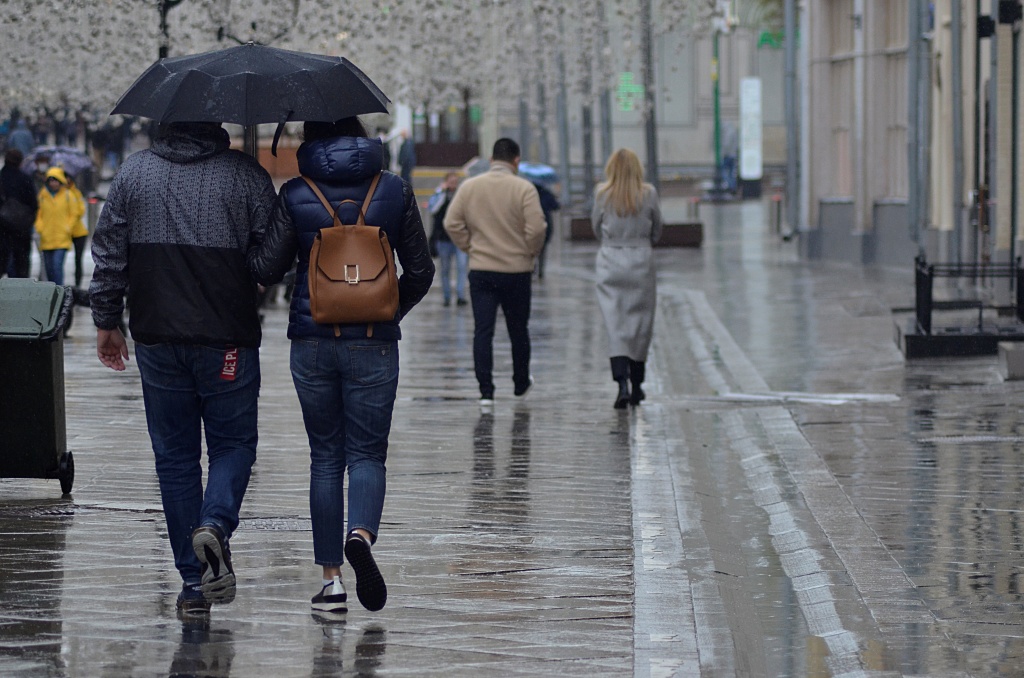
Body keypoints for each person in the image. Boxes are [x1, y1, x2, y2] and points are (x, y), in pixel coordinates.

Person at [89, 121, 277, 618]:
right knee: (233, 444)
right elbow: (268, 261)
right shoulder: (245, 176)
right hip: (227, 337)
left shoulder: (133, 175)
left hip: (156, 335)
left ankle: (193, 584)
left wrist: (107, 320)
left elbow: (108, 253)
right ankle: (214, 525)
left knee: (174, 458)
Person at [248, 116, 433, 614]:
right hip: (374, 342)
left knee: (325, 457)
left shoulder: (295, 191)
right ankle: (362, 535)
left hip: (312, 342)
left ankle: (332, 583)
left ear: (310, 140)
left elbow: (264, 270)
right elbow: (421, 268)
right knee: (368, 453)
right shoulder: (393, 189)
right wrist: (389, 309)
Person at [443, 138, 546, 409]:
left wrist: (470, 247)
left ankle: (486, 390)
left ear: (491, 160)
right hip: (516, 270)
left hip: (482, 269)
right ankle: (520, 382)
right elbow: (536, 229)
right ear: (516, 161)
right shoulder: (524, 189)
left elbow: (451, 222)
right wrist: (529, 252)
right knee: (518, 330)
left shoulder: (470, 187)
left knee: (483, 331)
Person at [590, 148, 663, 408]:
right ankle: (637, 383)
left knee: (615, 323)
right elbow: (657, 228)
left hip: (611, 260)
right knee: (640, 324)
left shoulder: (602, 193)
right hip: (641, 259)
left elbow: (596, 227)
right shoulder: (648, 193)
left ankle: (621, 382)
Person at [428, 172, 468, 306]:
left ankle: (460, 296)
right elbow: (433, 210)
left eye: (455, 181)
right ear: (445, 182)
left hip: (459, 238)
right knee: (445, 269)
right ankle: (447, 297)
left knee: (462, 267)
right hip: (443, 238)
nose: (453, 184)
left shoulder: (461, 195)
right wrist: (443, 193)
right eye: (451, 181)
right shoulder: (439, 194)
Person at [35, 167, 79, 286]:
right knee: (49, 270)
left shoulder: (68, 195)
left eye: (55, 180)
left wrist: (68, 227)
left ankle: (59, 292)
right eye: (50, 180)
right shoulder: (42, 196)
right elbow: (38, 214)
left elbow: (74, 213)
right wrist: (40, 228)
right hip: (46, 238)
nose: (53, 183)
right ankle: (52, 292)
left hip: (61, 238)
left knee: (57, 266)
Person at [0, 148, 38, 278]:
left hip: (2, 228)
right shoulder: (25, 179)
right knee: (21, 263)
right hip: (21, 229)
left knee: (3, 260)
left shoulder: (1, 178)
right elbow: (34, 204)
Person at [533, 181, 560, 279]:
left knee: (531, 249)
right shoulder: (547, 193)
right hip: (545, 223)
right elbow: (556, 206)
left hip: (531, 223)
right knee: (543, 249)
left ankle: (533, 267)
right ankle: (540, 270)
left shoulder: (528, 192)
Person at [66, 174, 89, 289]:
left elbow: (80, 211)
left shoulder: (76, 193)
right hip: (64, 233)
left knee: (78, 260)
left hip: (78, 232)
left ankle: (77, 283)